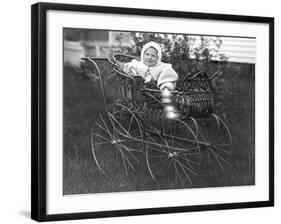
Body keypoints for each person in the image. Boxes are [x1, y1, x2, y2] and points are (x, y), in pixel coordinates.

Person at [124, 41, 179, 119]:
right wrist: (132, 71)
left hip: (157, 89)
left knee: (167, 88)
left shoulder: (161, 66)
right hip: (141, 91)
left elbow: (168, 73)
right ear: (143, 55)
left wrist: (165, 86)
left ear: (158, 58)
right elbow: (129, 66)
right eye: (147, 54)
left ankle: (169, 109)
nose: (149, 57)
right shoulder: (139, 64)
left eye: (153, 56)